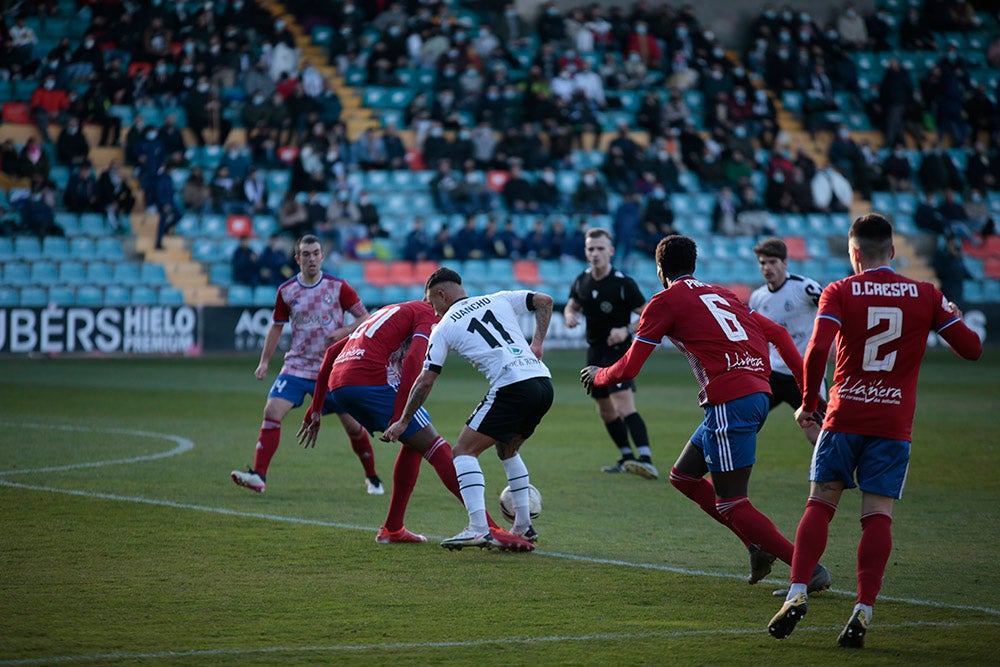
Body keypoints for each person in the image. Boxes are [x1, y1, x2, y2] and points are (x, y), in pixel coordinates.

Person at [767, 214, 982, 648]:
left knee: (821, 502)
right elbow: (973, 349)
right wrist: (950, 313)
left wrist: (809, 404)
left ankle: (797, 592)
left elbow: (818, 349)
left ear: (855, 254)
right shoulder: (926, 294)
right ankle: (864, 608)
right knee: (877, 514)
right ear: (894, 251)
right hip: (893, 423)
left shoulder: (841, 290)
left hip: (844, 416)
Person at [580, 235, 832, 591]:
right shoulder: (724, 294)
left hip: (732, 403)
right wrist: (810, 395)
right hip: (751, 395)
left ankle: (807, 570)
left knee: (732, 501)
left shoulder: (664, 302)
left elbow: (628, 368)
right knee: (683, 477)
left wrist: (599, 374)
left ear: (659, 269)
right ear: (694, 265)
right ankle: (756, 547)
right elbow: (778, 334)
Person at [296, 300, 533, 551]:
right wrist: (402, 417)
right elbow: (413, 360)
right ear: (437, 299)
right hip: (371, 380)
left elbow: (332, 352)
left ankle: (393, 528)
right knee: (438, 447)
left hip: (341, 384)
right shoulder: (427, 313)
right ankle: (489, 528)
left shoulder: (389, 310)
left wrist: (316, 408)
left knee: (414, 445)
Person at [383, 268, 554, 550]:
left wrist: (403, 420)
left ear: (441, 294)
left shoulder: (444, 326)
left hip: (512, 386)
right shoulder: (498, 298)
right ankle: (523, 525)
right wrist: (537, 343)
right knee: (507, 449)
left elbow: (425, 381)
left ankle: (477, 528)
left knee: (463, 451)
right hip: (542, 383)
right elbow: (545, 300)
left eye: (431, 302)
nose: (432, 310)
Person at [230, 235, 383, 495]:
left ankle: (372, 477)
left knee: (354, 428)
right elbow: (276, 327)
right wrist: (264, 362)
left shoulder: (338, 287)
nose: (311, 258)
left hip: (333, 368)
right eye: (306, 254)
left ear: (322, 256)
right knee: (271, 411)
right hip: (297, 366)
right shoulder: (287, 291)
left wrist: (343, 331)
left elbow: (365, 318)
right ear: (297, 258)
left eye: (316, 253)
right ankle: (259, 476)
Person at [564, 228, 655, 477]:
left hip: (618, 353)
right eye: (591, 249)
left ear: (611, 251)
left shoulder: (623, 284)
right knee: (604, 408)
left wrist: (626, 330)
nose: (595, 253)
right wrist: (570, 315)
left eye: (600, 248)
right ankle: (627, 457)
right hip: (594, 353)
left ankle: (645, 457)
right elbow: (572, 304)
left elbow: (648, 316)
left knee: (624, 405)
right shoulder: (582, 280)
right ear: (585, 251)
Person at [749, 238, 825, 446]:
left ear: (785, 263)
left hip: (805, 375)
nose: (767, 268)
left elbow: (833, 311)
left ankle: (832, 477)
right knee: (745, 423)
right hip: (773, 375)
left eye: (772, 262)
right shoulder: (757, 297)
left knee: (819, 434)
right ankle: (723, 476)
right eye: (763, 263)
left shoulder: (805, 288)